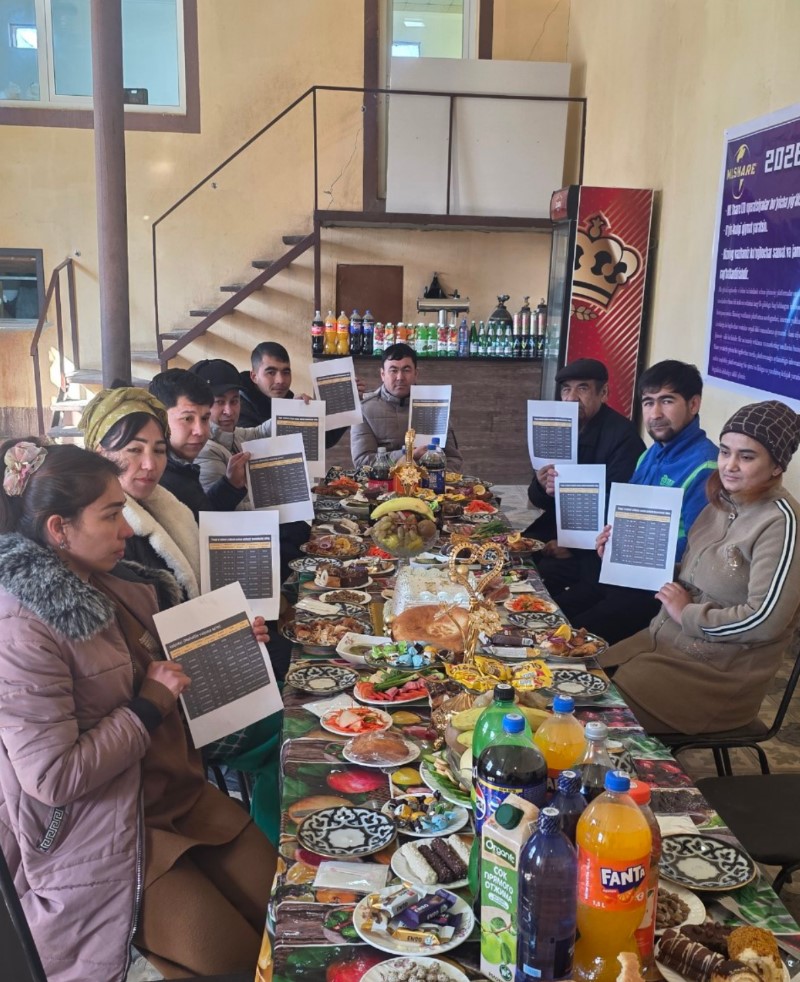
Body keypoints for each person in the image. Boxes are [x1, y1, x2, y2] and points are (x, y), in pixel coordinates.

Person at [0, 440, 277, 981]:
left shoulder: (110, 584)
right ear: (59, 529)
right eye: (111, 515)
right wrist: (147, 708)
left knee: (285, 906)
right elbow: (52, 778)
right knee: (235, 961)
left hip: (171, 791)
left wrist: (227, 645)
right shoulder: (21, 627)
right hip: (101, 833)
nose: (127, 529)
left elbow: (158, 667)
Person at [598, 400, 800, 735]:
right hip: (663, 646)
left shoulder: (781, 523)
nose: (729, 465)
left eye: (746, 457)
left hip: (715, 678)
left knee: (592, 719)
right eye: (725, 452)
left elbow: (765, 620)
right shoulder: (721, 504)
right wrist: (625, 555)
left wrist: (687, 614)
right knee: (572, 683)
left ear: (777, 465)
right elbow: (692, 575)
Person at [554, 360, 719, 644]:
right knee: (549, 612)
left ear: (694, 404)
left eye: (667, 401)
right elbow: (625, 514)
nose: (655, 414)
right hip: (622, 573)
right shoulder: (651, 454)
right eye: (648, 402)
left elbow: (700, 553)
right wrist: (610, 535)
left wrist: (634, 549)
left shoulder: (706, 467)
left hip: (658, 590)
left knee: (568, 639)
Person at [524, 357, 645, 594]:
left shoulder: (623, 437)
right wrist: (541, 484)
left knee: (544, 572)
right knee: (517, 551)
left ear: (604, 393)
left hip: (597, 542)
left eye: (582, 388)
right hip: (560, 523)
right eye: (566, 389)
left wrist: (573, 546)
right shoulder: (559, 428)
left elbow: (617, 509)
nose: (571, 398)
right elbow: (538, 500)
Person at [188, 356, 312, 587]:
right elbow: (223, 518)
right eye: (219, 402)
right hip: (235, 549)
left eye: (234, 401)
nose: (229, 411)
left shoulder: (230, 434)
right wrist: (280, 504)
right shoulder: (203, 450)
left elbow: (258, 432)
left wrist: (293, 410)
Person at [80, 386, 201, 601]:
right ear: (101, 454)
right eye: (135, 450)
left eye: (159, 451)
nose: (150, 464)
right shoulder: (104, 533)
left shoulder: (170, 509)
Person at [149, 368, 249, 517]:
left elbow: (201, 517)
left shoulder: (180, 467)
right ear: (158, 418)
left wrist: (230, 485)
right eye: (187, 418)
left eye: (204, 419)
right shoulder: (154, 479)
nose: (200, 431)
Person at [351, 342, 463, 470]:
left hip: (429, 481)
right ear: (382, 374)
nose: (400, 377)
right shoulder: (365, 409)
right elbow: (362, 462)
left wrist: (435, 477)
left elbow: (453, 458)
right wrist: (408, 455)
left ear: (416, 373)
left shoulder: (435, 405)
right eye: (393, 370)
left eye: (406, 370)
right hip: (383, 482)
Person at [237, 340, 351, 447]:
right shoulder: (238, 407)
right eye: (271, 372)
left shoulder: (289, 399)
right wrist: (290, 416)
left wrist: (348, 400)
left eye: (286, 372)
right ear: (254, 376)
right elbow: (257, 448)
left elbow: (323, 440)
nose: (280, 380)